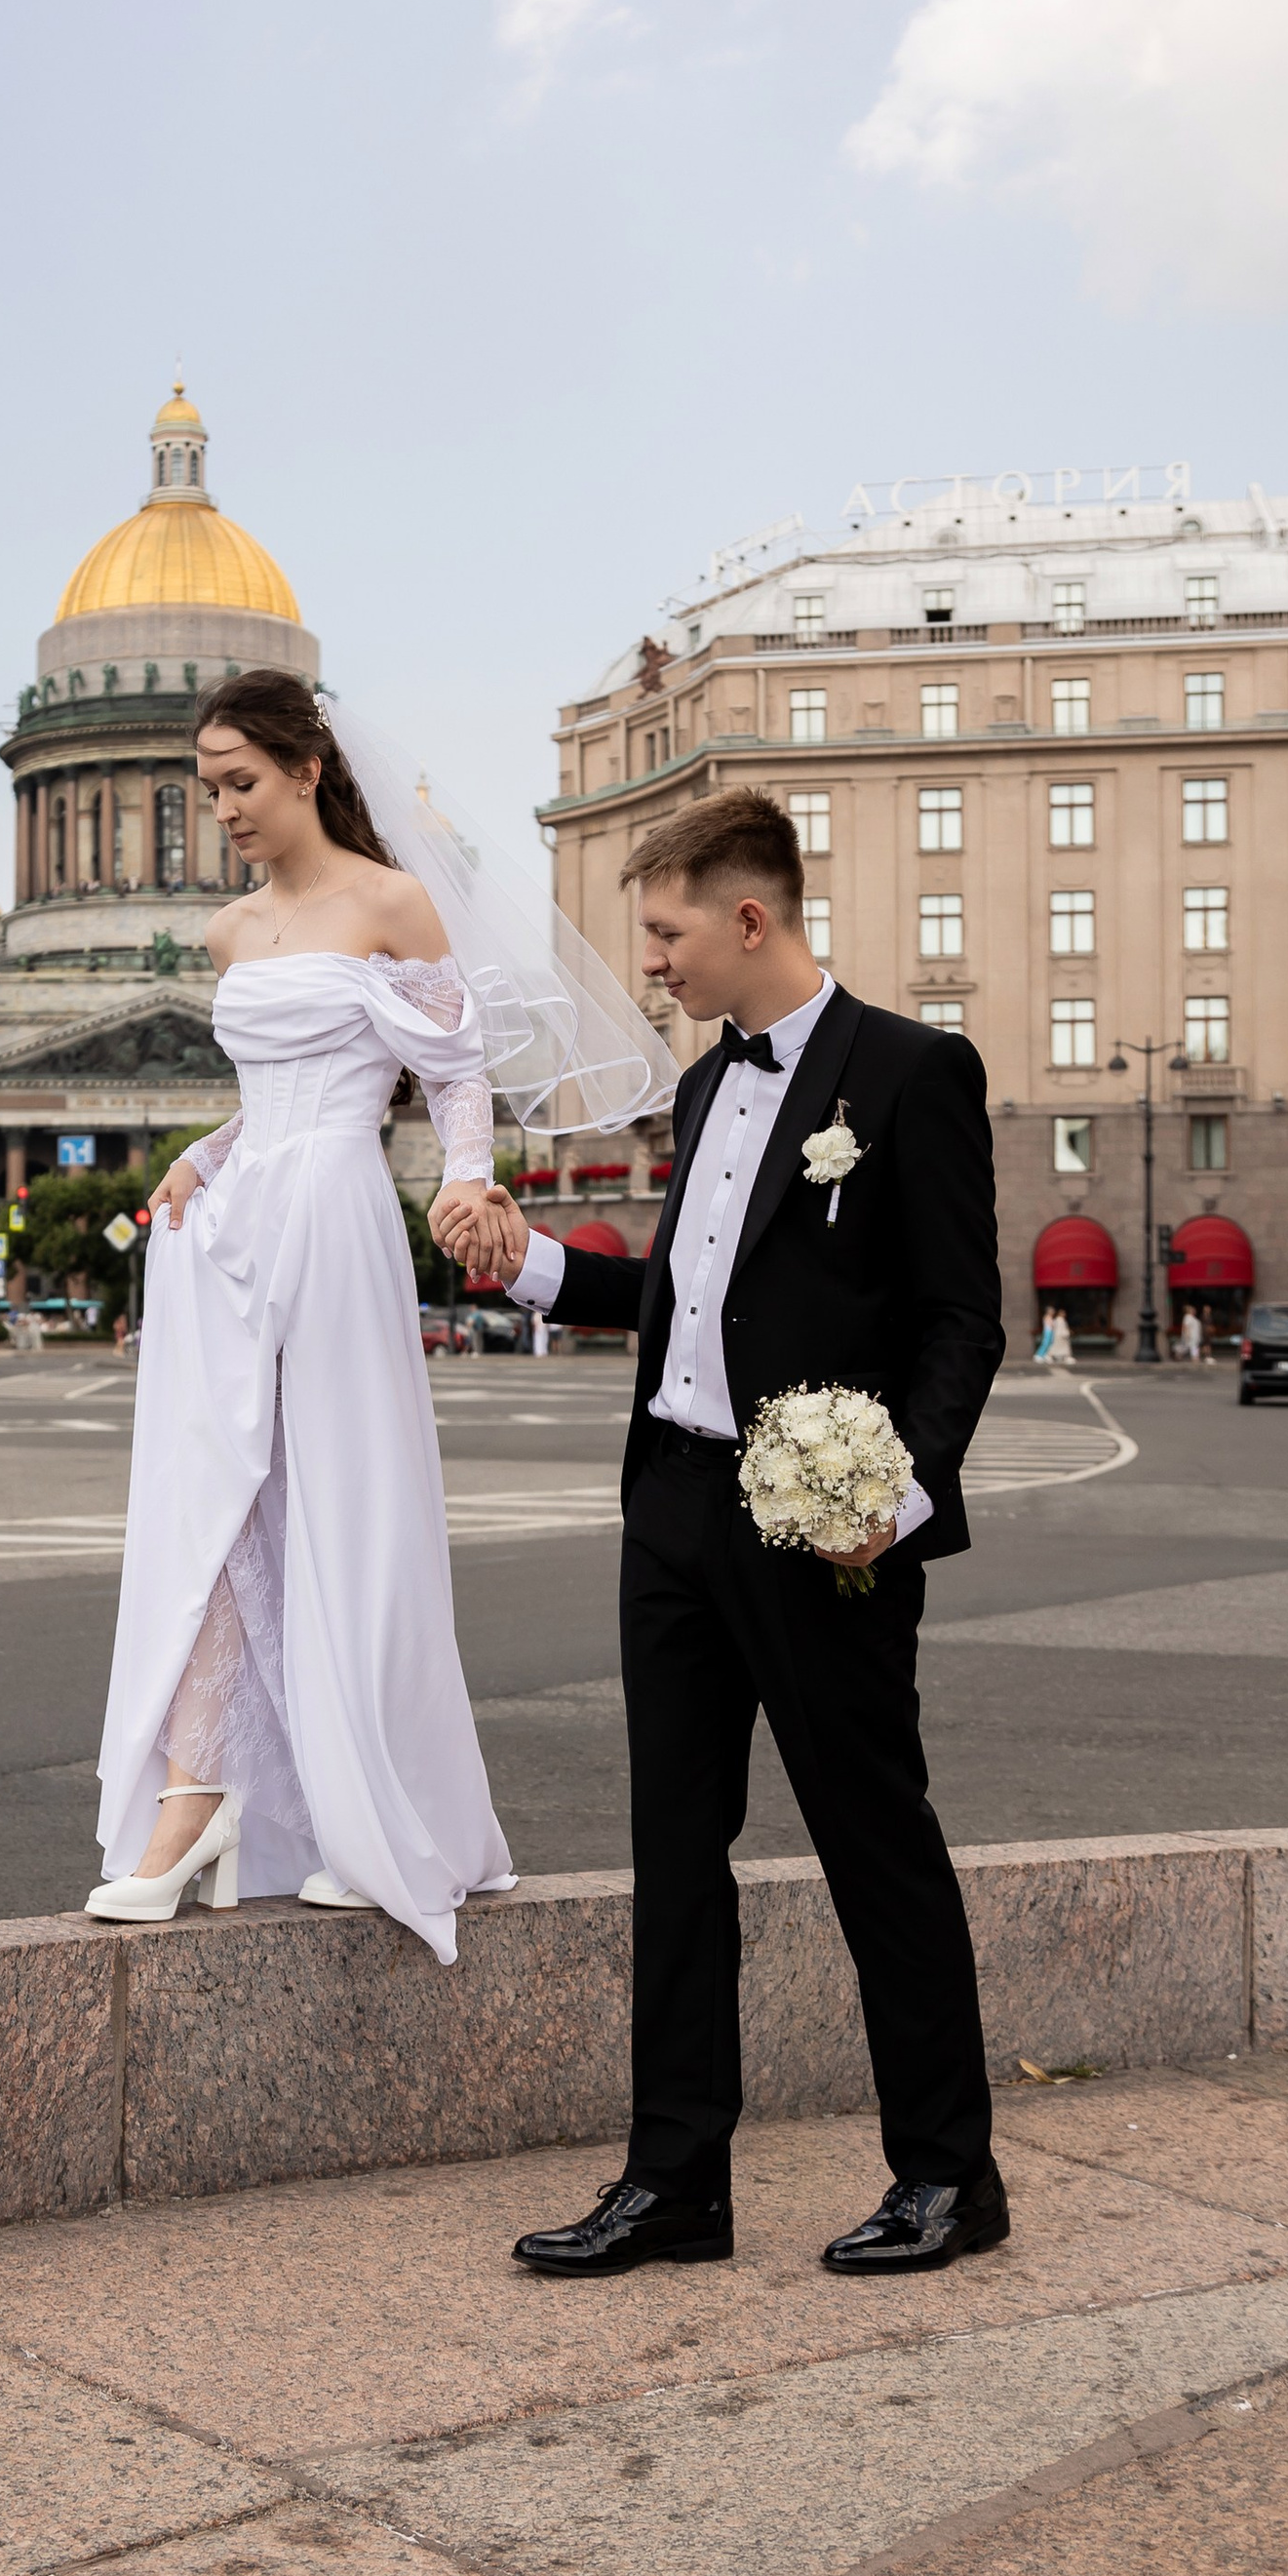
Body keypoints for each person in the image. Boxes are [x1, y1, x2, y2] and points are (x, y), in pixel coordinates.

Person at [479, 785, 1008, 2279]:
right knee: (672, 1848)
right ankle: (676, 2181)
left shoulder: (914, 1074)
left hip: (823, 1528)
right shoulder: (708, 1088)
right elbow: (680, 1304)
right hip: (673, 1509)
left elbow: (965, 1320)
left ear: (749, 917)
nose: (652, 960)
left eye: (666, 931)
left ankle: (952, 2178)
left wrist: (889, 1502)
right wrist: (529, 1266)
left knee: (872, 1842)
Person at [81, 673, 661, 1958]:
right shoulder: (229, 932)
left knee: (349, 1506)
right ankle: (196, 1798)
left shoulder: (392, 901)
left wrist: (466, 1180)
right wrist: (205, 1152)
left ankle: (370, 1816)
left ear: (304, 768)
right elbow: (270, 1093)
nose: (221, 806)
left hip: (342, 1224)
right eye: (208, 785)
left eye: (240, 779)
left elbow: (452, 1074)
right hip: (231, 1237)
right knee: (217, 1504)